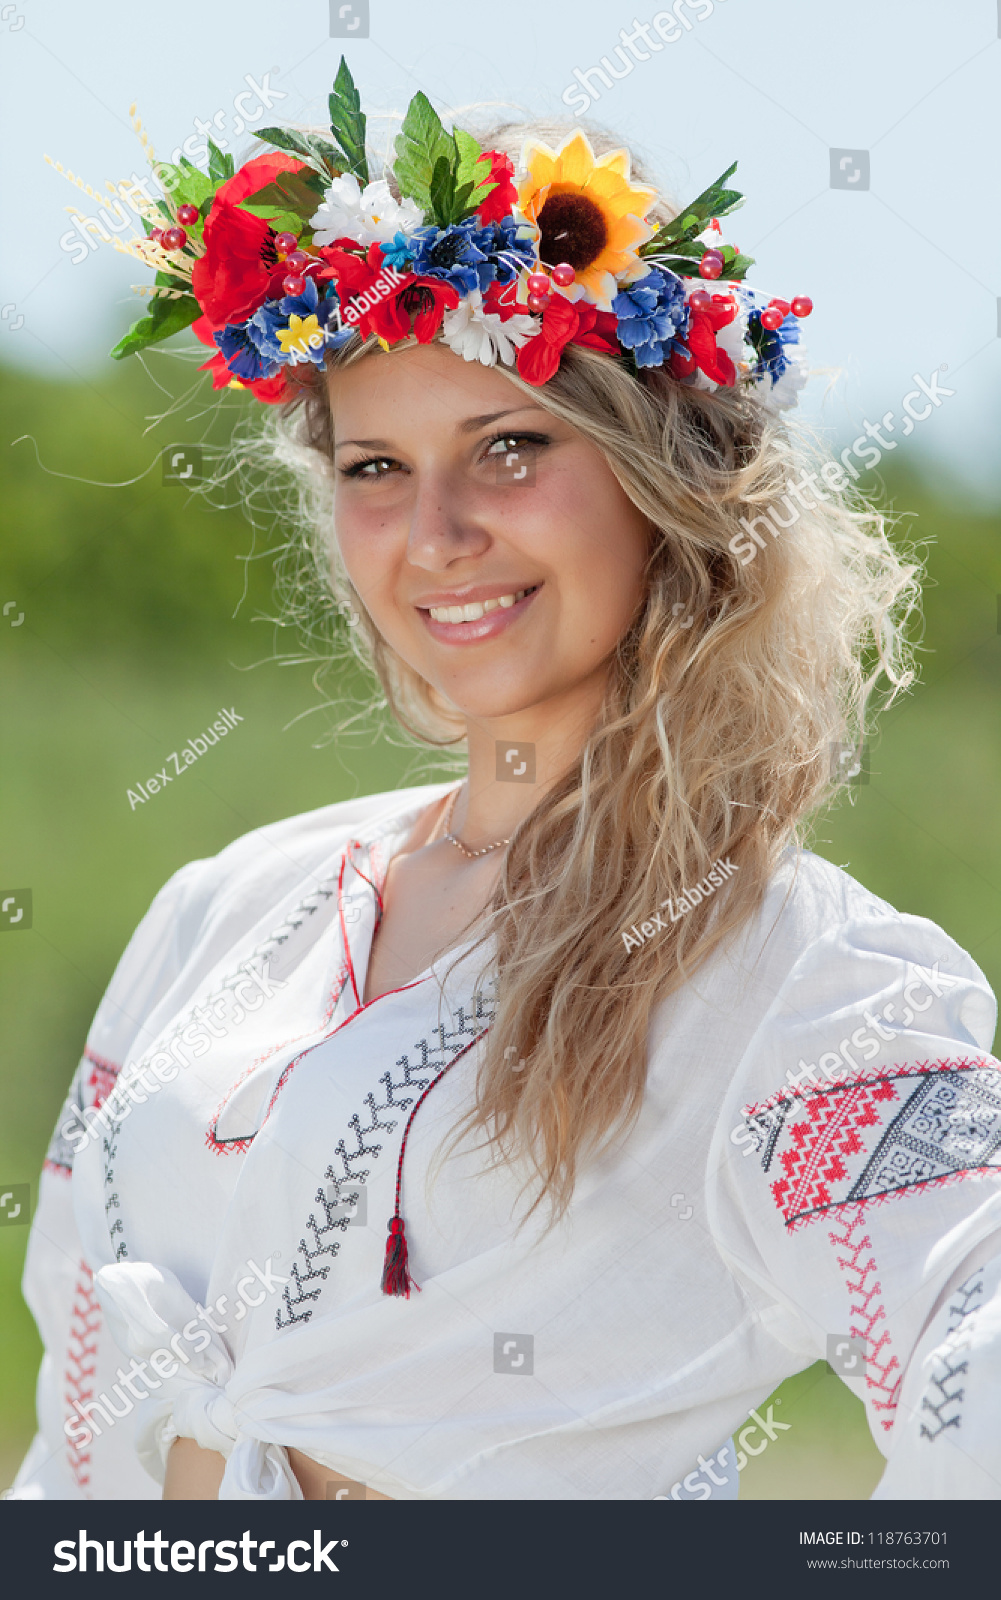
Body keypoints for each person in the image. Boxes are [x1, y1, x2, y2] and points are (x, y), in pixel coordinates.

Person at [12, 68, 1001, 1502]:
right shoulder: (226, 912)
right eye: (374, 467)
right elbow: (70, 1411)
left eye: (510, 449)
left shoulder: (794, 982)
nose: (437, 533)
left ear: (663, 480)